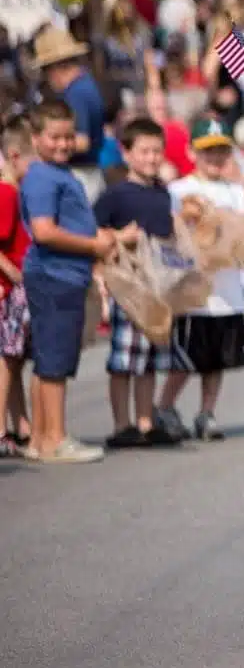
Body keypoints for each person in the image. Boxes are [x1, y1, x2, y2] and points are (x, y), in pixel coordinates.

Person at [18, 99, 127, 463]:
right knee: (55, 361)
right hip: (54, 275)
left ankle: (39, 438)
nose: (63, 144)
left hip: (66, 274)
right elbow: (44, 231)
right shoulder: (41, 177)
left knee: (48, 357)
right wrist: (93, 244)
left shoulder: (61, 174)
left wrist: (102, 237)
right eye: (54, 138)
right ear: (35, 139)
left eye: (68, 137)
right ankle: (56, 439)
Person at [158, 117, 244, 441]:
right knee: (186, 358)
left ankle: (207, 412)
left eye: (221, 151)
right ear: (191, 152)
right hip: (194, 292)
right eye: (207, 151)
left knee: (217, 359)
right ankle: (165, 406)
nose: (215, 158)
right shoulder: (179, 191)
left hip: (227, 289)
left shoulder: (235, 192)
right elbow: (172, 235)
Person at [94, 118, 179, 448]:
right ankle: (122, 424)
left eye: (157, 151)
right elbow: (94, 234)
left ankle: (145, 421)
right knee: (123, 361)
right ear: (126, 153)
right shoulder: (115, 195)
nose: (152, 158)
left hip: (156, 287)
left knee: (149, 360)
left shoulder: (163, 193)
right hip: (126, 287)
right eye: (144, 151)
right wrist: (119, 237)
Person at [30, 26, 106, 203]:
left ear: (55, 68)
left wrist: (43, 145)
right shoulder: (86, 85)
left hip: (81, 174)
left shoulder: (76, 94)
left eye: (45, 71)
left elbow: (82, 141)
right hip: (89, 174)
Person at [1, 120, 35, 455]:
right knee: (7, 358)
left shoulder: (16, 192)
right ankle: (1, 428)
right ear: (14, 156)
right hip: (10, 291)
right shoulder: (7, 194)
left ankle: (21, 424)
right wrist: (11, 273)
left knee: (15, 357)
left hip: (15, 289)